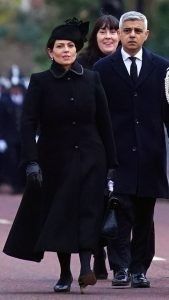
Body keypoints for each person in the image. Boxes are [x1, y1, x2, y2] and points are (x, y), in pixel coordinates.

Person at [3, 17, 118, 294]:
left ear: (76, 50)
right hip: (55, 159)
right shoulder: (40, 82)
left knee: (89, 210)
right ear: (49, 51)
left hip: (92, 156)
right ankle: (65, 273)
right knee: (62, 216)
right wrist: (31, 162)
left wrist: (112, 165)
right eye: (60, 46)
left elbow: (104, 122)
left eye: (70, 46)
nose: (66, 50)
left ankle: (86, 267)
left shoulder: (92, 79)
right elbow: (28, 123)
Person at [93, 11, 169, 288]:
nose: (133, 35)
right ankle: (121, 268)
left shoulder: (164, 69)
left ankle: (140, 269)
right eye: (128, 30)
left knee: (145, 215)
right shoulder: (101, 69)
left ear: (146, 35)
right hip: (116, 154)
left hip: (150, 154)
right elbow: (96, 114)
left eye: (138, 30)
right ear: (120, 34)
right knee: (120, 210)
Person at [78, 14, 119, 281]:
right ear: (95, 36)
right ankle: (95, 254)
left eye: (113, 31)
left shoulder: (128, 62)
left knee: (118, 201)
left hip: (122, 139)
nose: (108, 36)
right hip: (91, 140)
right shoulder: (82, 64)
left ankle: (120, 259)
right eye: (102, 31)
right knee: (93, 200)